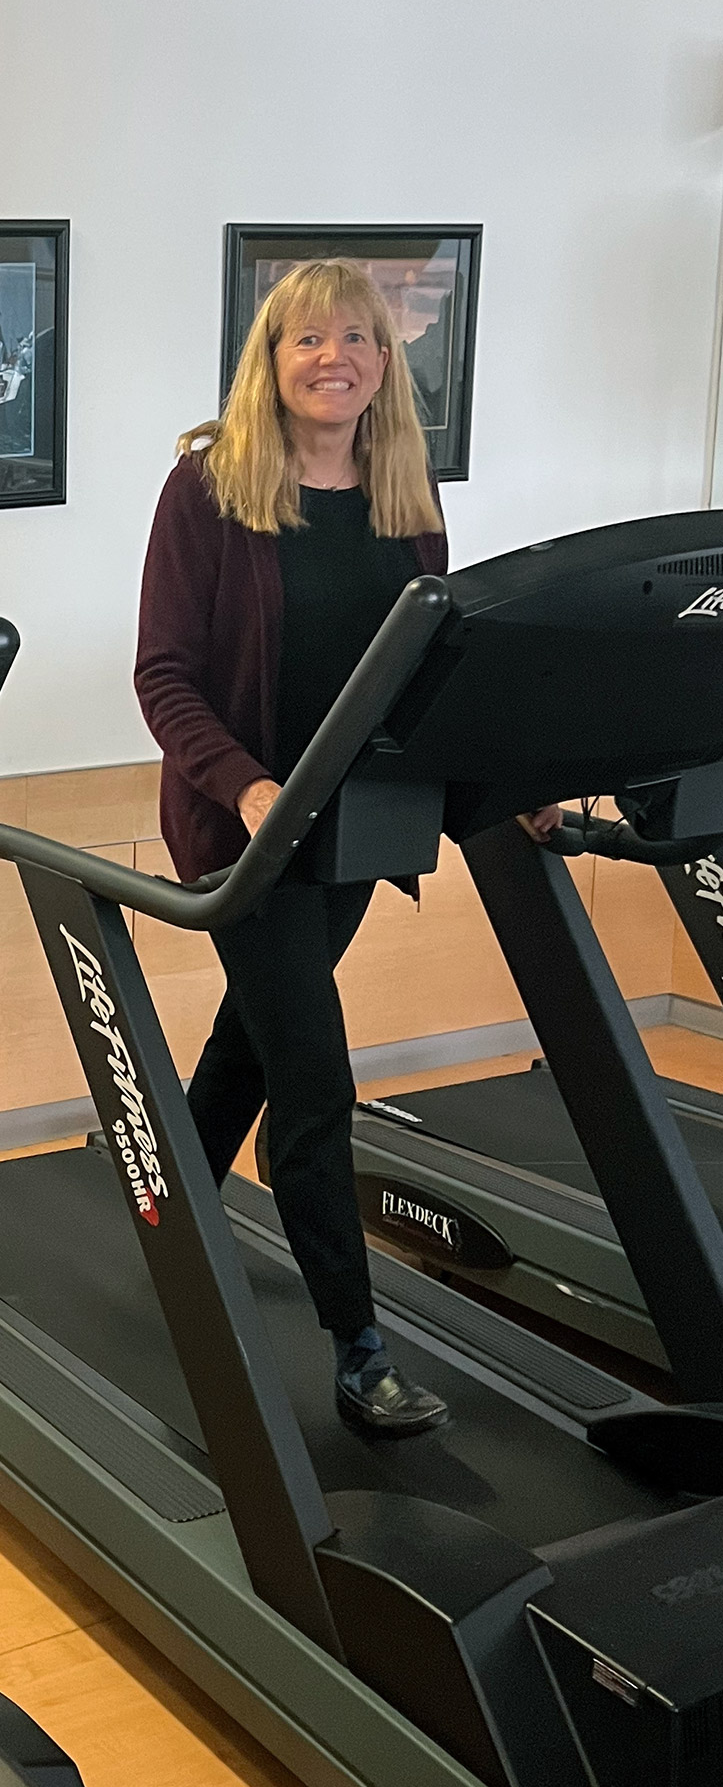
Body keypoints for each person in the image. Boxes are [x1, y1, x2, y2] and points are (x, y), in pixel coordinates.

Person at [135, 258, 551, 1437]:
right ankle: (357, 1348)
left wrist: (503, 790)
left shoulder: (401, 497)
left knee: (252, 1044)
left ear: (385, 362)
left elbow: (431, 680)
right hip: (243, 835)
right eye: (307, 338)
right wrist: (249, 787)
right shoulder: (209, 486)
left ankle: (163, 1208)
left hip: (358, 832)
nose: (336, 358)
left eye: (359, 339)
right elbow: (161, 674)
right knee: (312, 1085)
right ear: (270, 359)